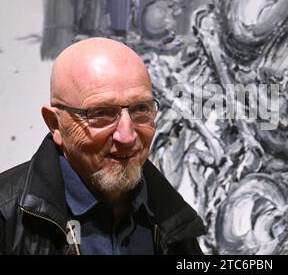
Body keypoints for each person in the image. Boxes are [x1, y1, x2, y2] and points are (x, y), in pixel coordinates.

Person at [0, 37, 206, 255]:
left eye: (140, 109)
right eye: (101, 114)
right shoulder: (7, 217)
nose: (127, 136)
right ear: (55, 124)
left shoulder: (171, 218)